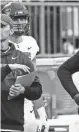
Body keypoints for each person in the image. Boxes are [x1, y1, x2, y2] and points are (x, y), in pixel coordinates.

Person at [2, 2, 49, 132]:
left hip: (24, 104)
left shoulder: (30, 43)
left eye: (23, 18)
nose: (20, 22)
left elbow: (34, 80)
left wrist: (42, 114)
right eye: (15, 18)